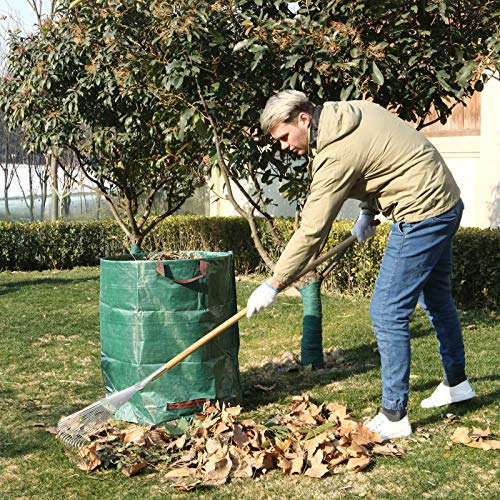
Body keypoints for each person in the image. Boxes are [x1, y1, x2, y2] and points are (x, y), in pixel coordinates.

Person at [246, 90, 476, 440]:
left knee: (386, 311)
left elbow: (312, 230)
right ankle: (457, 384)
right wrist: (368, 212)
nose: (282, 146)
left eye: (283, 136)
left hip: (421, 213)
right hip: (445, 201)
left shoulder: (335, 153)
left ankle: (394, 415)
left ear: (303, 119)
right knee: (436, 298)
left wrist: (274, 283)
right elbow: (383, 158)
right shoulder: (350, 113)